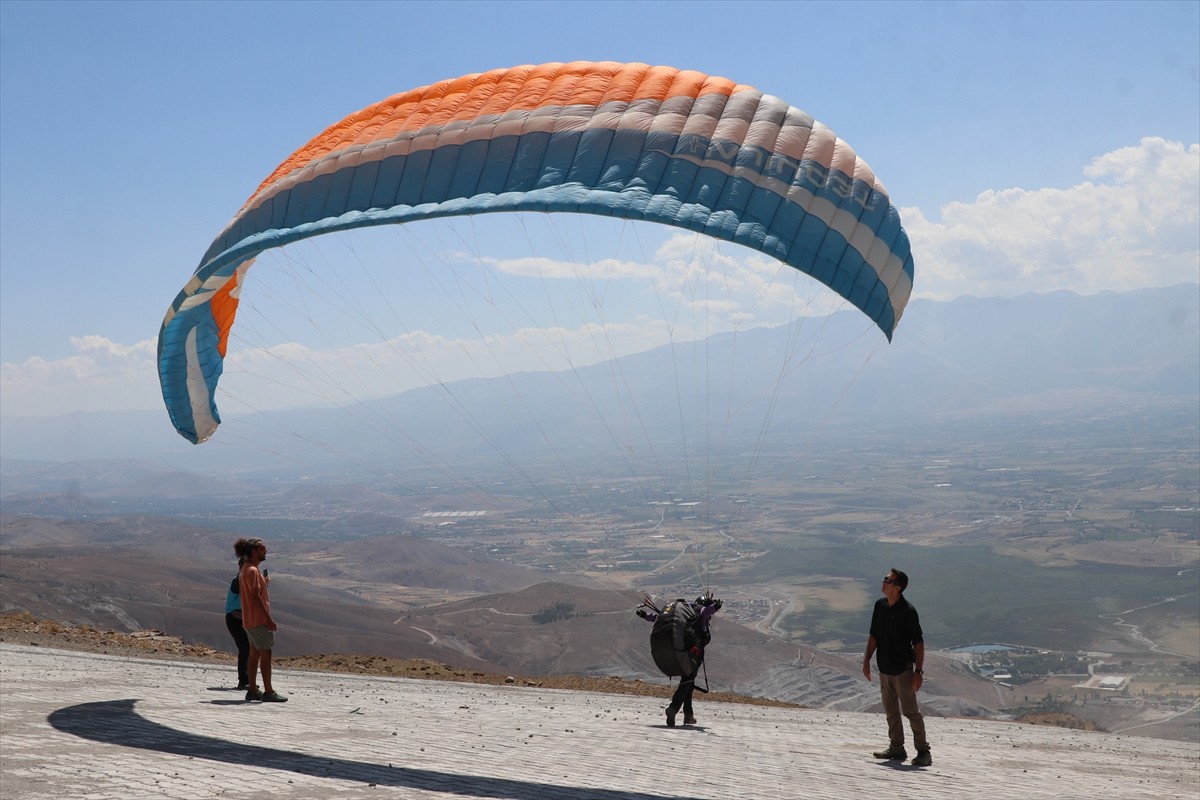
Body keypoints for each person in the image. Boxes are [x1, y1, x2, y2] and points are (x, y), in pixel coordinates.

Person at [861, 568, 930, 766]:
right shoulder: (880, 605)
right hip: (884, 667)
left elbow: (918, 642)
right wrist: (866, 660)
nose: (883, 582)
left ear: (898, 588)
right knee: (891, 711)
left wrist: (918, 672)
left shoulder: (908, 611)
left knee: (910, 711)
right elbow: (874, 635)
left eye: (887, 580)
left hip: (902, 669)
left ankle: (923, 751)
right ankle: (897, 748)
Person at [637, 592, 721, 727]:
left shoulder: (686, 614)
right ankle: (673, 708)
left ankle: (688, 715)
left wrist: (644, 615)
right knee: (688, 680)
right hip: (689, 654)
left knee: (688, 683)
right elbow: (705, 612)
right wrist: (715, 607)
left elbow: (659, 618)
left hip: (677, 649)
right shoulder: (699, 614)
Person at [235, 537, 287, 703]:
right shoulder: (252, 570)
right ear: (254, 551)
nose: (266, 551)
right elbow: (255, 597)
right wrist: (268, 619)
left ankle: (252, 690)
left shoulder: (246, 568)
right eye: (262, 548)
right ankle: (268, 691)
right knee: (266, 653)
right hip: (257, 620)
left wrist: (263, 582)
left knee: (254, 653)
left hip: (249, 619)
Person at [224, 553, 250, 690]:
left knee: (247, 648)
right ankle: (243, 680)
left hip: (241, 617)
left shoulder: (242, 579)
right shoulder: (238, 580)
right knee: (245, 647)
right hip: (235, 617)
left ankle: (247, 679)